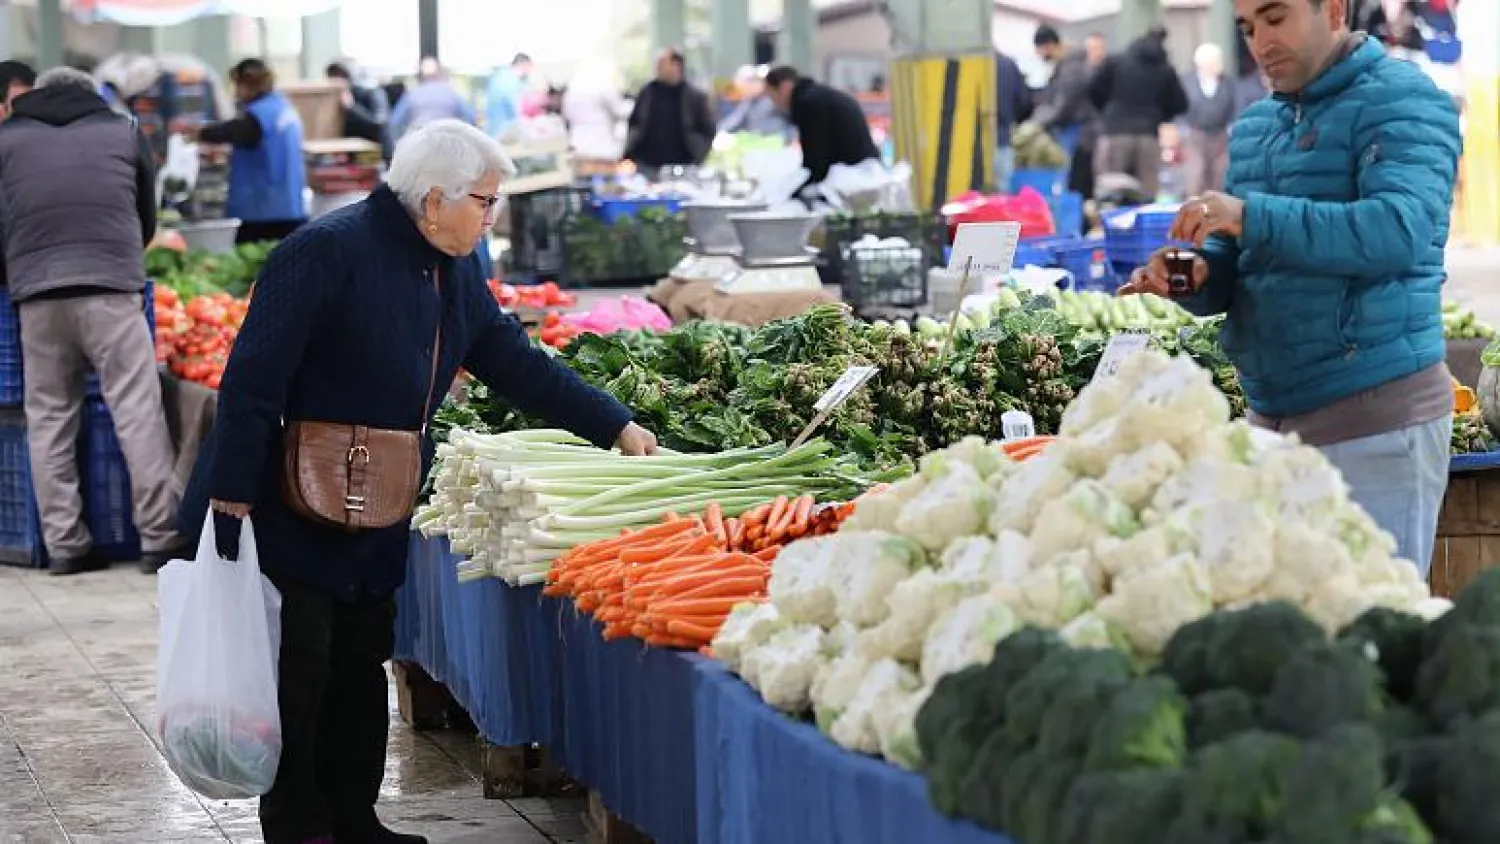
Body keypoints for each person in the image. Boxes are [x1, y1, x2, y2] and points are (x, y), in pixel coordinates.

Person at [179, 119, 656, 844]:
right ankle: (298, 823)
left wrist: (615, 426)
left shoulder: (453, 268)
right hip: (289, 497)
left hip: (382, 496)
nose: (492, 217)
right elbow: (252, 379)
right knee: (298, 667)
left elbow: (514, 361)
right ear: (434, 200)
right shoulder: (323, 252)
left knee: (361, 657)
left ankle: (353, 816)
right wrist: (232, 496)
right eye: (485, 202)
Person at [1120, 0, 1461, 575]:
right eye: (1249, 27)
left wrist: (1251, 216)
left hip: (1376, 421)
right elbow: (1238, 260)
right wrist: (1196, 276)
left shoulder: (1403, 99)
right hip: (1270, 425)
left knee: (1368, 633)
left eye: (1276, 19)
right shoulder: (1256, 127)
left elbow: (1397, 232)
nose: (1260, 43)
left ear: (1331, 9)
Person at [0, 67, 186, 576]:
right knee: (136, 410)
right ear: (90, 95)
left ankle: (66, 546)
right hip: (112, 288)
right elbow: (146, 213)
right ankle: (158, 538)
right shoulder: (124, 129)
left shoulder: (7, 139)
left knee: (49, 417)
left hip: (36, 294)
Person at [185, 58, 307, 244]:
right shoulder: (283, 108)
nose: (236, 93)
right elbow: (266, 147)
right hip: (291, 206)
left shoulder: (259, 115)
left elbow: (233, 131)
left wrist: (198, 132)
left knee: (252, 265)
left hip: (262, 211)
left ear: (248, 84)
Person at [1088, 25, 1189, 199]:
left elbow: (1093, 89)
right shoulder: (1165, 69)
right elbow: (1181, 103)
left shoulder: (1116, 62)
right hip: (1148, 136)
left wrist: (1107, 111)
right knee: (1146, 196)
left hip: (1115, 133)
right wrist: (1160, 115)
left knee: (1110, 192)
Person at [764, 65, 879, 190]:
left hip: (850, 176)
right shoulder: (819, 95)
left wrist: (798, 188)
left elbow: (815, 157)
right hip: (863, 169)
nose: (775, 103)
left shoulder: (807, 103)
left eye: (773, 96)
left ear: (785, 86)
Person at [623, 48, 716, 174]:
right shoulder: (647, 92)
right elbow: (634, 122)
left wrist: (699, 153)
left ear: (676, 65)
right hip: (647, 165)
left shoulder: (694, 96)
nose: (657, 67)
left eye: (662, 63)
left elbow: (708, 129)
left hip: (684, 165)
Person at [1032, 26, 1099, 201]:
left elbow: (1065, 103)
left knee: (1068, 179)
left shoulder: (1072, 67)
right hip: (1073, 128)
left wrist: (1040, 121)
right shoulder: (1066, 65)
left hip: (1076, 130)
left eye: (1039, 50)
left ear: (1049, 45)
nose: (1040, 55)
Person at [1179, 43, 1237, 196]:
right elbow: (1178, 106)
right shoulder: (1186, 81)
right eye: (1216, 61)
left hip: (1220, 135)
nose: (1220, 65)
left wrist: (1231, 127)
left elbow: (1234, 105)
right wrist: (1182, 128)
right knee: (1196, 176)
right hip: (1194, 134)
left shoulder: (1227, 82)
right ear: (1203, 64)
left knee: (1220, 175)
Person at [390, 57, 475, 140]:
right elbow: (470, 117)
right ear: (440, 73)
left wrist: (401, 141)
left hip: (418, 142)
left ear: (420, 75)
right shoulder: (451, 93)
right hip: (446, 141)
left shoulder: (412, 94)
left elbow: (395, 121)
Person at [326, 60, 390, 157]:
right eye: (333, 76)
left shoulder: (373, 92)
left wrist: (352, 107)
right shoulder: (335, 99)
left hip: (378, 157)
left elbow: (378, 123)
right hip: (355, 157)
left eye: (341, 76)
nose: (337, 81)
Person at [994, 50, 1034, 194]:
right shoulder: (1007, 64)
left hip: (966, 144)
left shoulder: (966, 63)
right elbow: (1023, 100)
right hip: (1002, 137)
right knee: (1003, 189)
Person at [718, 64, 788, 137]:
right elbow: (733, 122)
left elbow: (791, 121)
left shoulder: (775, 99)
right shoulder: (749, 102)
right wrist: (719, 131)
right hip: (757, 142)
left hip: (779, 140)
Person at [484, 52, 532, 140]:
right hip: (503, 130)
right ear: (523, 64)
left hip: (495, 128)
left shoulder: (501, 75)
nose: (528, 72)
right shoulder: (509, 81)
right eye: (528, 68)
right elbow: (515, 108)